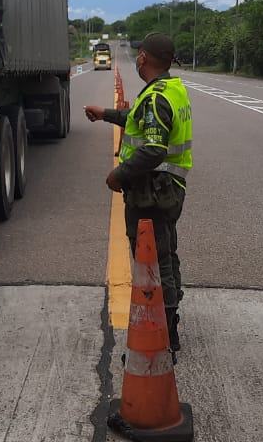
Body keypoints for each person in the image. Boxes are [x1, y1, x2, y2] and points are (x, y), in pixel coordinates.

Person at [84, 32, 193, 355]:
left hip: (154, 191)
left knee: (153, 262)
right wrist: (106, 114)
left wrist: (119, 173)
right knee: (166, 255)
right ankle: (169, 321)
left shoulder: (156, 97)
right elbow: (139, 121)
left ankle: (163, 334)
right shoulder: (172, 90)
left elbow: (154, 148)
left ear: (143, 58)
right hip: (168, 188)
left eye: (139, 55)